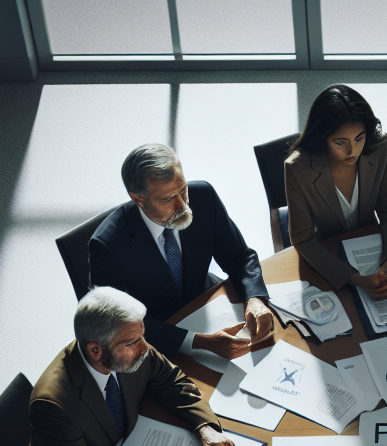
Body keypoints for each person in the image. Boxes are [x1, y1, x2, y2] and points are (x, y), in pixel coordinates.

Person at [17, 286, 242, 446]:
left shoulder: (125, 346)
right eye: (133, 342)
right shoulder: (53, 406)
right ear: (95, 351)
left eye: (142, 336)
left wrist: (205, 428)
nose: (145, 348)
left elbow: (170, 378)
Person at [89, 143, 273, 361]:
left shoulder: (204, 196)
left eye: (182, 190)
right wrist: (201, 342)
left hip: (209, 305)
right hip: (160, 338)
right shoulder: (107, 245)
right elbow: (120, 323)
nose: (182, 206)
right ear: (138, 199)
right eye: (167, 199)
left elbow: (239, 257)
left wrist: (254, 298)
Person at [285, 85, 387, 297]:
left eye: (359, 138)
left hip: (372, 245)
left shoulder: (381, 147)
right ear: (322, 138)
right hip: (329, 255)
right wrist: (354, 279)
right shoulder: (297, 168)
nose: (353, 151)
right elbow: (303, 240)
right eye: (340, 143)